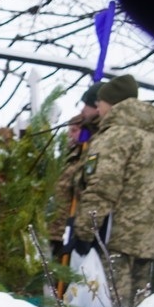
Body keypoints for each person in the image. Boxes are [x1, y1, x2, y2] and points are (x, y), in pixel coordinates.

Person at [72, 74, 154, 307]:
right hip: (146, 243)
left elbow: (101, 188)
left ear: (112, 103)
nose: (98, 110)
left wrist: (85, 233)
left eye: (100, 103)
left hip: (114, 241)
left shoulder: (115, 136)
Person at [48, 83, 102, 259]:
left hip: (72, 225)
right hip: (56, 226)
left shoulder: (88, 154)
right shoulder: (68, 156)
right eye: (69, 130)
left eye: (75, 130)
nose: (70, 135)